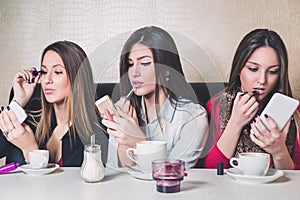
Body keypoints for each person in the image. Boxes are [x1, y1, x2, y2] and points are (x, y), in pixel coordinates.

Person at [102, 26, 209, 169]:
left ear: (167, 70)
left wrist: (138, 141)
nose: (134, 72)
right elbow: (115, 172)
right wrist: (124, 142)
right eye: (130, 64)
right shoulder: (122, 111)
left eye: (145, 63)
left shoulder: (194, 117)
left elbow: (172, 174)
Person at [0, 41, 108, 166]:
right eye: (44, 72)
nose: (47, 80)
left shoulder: (93, 135)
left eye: (57, 72)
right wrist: (19, 100)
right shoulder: (33, 121)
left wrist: (30, 150)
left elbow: (70, 185)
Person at [204, 29, 300, 170]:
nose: (262, 80)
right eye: (253, 69)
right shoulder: (217, 106)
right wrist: (235, 124)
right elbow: (210, 170)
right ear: (239, 69)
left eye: (272, 71)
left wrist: (279, 151)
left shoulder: (294, 114)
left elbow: (295, 181)